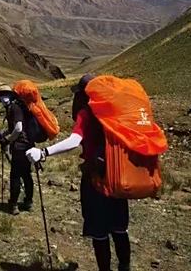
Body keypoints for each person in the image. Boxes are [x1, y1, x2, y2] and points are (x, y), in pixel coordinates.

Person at [26, 74, 131, 271]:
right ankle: (125, 267)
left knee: (99, 232)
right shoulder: (113, 111)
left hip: (96, 180)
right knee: (119, 228)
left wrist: (44, 152)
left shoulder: (87, 112)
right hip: (117, 176)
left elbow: (75, 140)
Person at [0, 89, 35, 215]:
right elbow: (14, 128)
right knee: (26, 174)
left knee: (15, 175)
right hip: (27, 145)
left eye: (4, 96)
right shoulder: (16, 107)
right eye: (1, 97)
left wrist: (7, 140)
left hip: (20, 147)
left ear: (11, 96)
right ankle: (28, 201)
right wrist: (4, 133)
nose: (3, 99)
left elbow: (18, 128)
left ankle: (13, 204)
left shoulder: (15, 108)